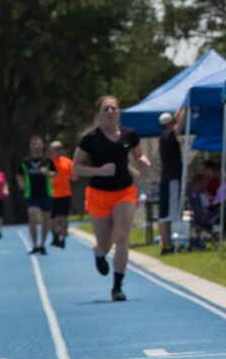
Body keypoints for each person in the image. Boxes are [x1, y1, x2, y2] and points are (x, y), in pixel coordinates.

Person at [72, 95, 150, 301]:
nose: (109, 112)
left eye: (113, 108)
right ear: (98, 114)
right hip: (98, 194)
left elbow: (138, 155)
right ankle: (99, 253)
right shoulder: (90, 139)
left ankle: (117, 287)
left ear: (119, 112)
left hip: (124, 191)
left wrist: (143, 161)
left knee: (122, 237)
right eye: (105, 109)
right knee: (105, 245)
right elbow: (76, 167)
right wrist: (98, 170)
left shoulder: (130, 135)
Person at [17, 136, 57, 255]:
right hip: (31, 194)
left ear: (42, 146)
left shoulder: (47, 161)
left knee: (46, 219)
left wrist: (47, 172)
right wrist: (21, 184)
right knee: (33, 217)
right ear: (30, 147)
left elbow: (55, 174)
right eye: (34, 144)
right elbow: (18, 174)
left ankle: (42, 245)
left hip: (46, 193)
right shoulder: (25, 162)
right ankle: (34, 245)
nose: (36, 146)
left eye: (38, 144)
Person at [157, 109, 185, 255]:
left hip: (167, 180)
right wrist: (186, 107)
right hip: (171, 180)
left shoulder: (164, 137)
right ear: (169, 124)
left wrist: (180, 109)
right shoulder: (169, 137)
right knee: (167, 216)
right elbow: (179, 126)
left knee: (164, 215)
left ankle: (166, 246)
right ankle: (167, 247)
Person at [49, 140, 77, 249]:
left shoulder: (67, 162)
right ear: (51, 151)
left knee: (63, 217)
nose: (60, 151)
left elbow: (74, 177)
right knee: (52, 218)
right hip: (51, 195)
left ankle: (63, 238)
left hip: (65, 194)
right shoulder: (48, 162)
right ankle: (55, 235)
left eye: (61, 148)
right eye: (57, 149)